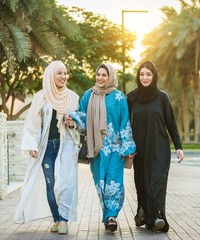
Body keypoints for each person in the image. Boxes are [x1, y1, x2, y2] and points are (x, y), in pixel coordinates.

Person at [65, 63, 136, 232]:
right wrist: (73, 121)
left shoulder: (119, 97)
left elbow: (124, 122)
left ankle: (112, 216)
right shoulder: (88, 96)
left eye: (104, 75)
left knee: (114, 182)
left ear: (110, 76)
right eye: (98, 74)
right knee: (100, 184)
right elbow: (83, 116)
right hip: (95, 148)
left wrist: (128, 148)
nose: (100, 78)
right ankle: (107, 216)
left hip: (115, 149)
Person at [14, 60, 80, 235]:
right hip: (46, 148)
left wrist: (72, 123)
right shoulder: (41, 97)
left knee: (65, 182)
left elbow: (80, 123)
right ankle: (57, 219)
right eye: (59, 73)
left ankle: (65, 220)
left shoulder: (73, 97)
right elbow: (32, 123)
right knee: (50, 184)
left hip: (65, 145)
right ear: (51, 75)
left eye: (65, 73)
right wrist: (32, 145)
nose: (63, 76)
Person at [127, 61, 184, 232]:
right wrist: (127, 149)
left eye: (148, 74)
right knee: (143, 184)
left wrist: (178, 146)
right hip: (140, 150)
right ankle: (149, 218)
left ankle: (158, 216)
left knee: (156, 183)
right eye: (142, 74)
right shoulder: (131, 98)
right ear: (138, 76)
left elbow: (171, 124)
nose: (145, 78)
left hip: (159, 149)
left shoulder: (162, 97)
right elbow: (125, 125)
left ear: (154, 76)